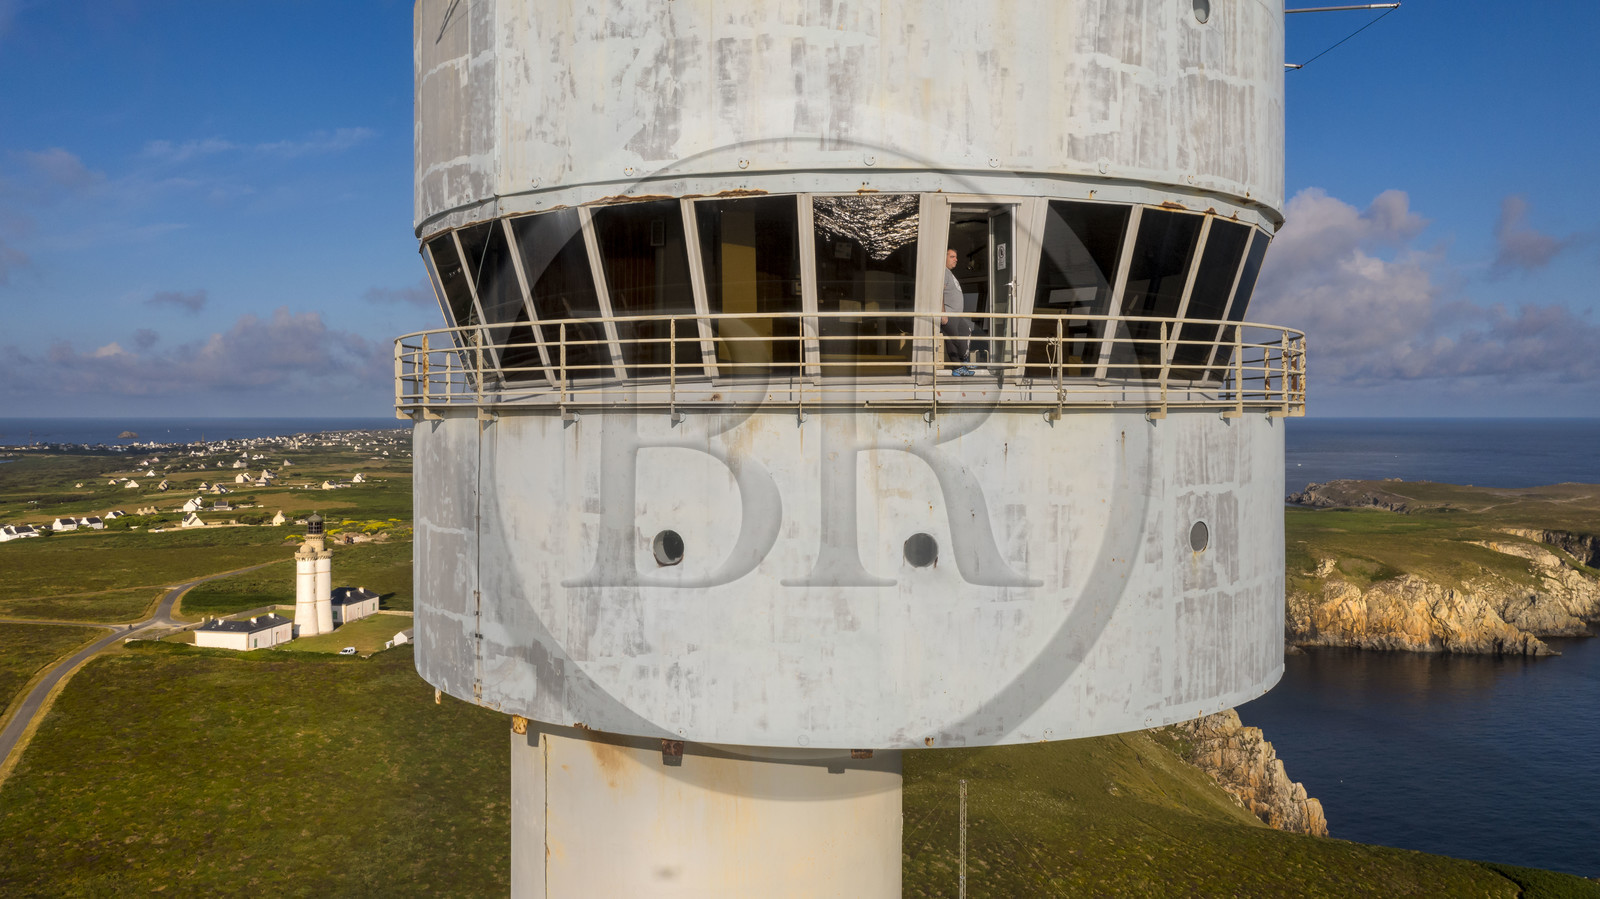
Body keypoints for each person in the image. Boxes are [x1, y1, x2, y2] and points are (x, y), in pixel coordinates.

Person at [941, 248, 974, 376]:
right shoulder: (943, 272)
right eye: (952, 257)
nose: (956, 259)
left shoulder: (949, 273)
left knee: (966, 332)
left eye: (956, 257)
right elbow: (939, 293)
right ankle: (959, 367)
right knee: (954, 340)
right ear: (944, 258)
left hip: (956, 314)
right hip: (948, 313)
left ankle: (962, 365)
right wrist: (943, 313)